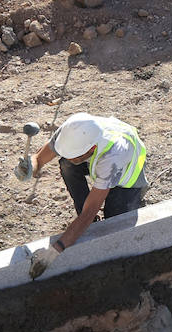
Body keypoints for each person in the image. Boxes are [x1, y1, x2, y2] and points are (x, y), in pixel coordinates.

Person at [17, 112, 149, 279]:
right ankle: (85, 228)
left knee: (114, 225)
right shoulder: (73, 130)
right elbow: (39, 158)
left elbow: (90, 212)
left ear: (91, 149)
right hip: (100, 161)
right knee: (67, 165)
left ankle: (136, 198)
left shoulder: (114, 156)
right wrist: (29, 168)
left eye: (76, 157)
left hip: (127, 177)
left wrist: (54, 251)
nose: (71, 158)